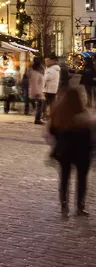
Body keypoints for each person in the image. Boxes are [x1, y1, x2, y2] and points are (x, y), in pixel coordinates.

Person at [49, 82, 93, 216]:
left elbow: (52, 131)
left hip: (65, 151)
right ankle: (80, 206)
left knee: (64, 177)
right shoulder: (83, 115)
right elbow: (90, 135)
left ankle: (64, 203)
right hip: (82, 152)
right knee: (81, 179)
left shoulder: (58, 113)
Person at [26, 57, 46, 122]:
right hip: (37, 92)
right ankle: (37, 119)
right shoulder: (37, 74)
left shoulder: (31, 72)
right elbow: (38, 84)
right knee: (39, 106)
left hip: (32, 91)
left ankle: (37, 118)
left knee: (37, 105)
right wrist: (39, 93)